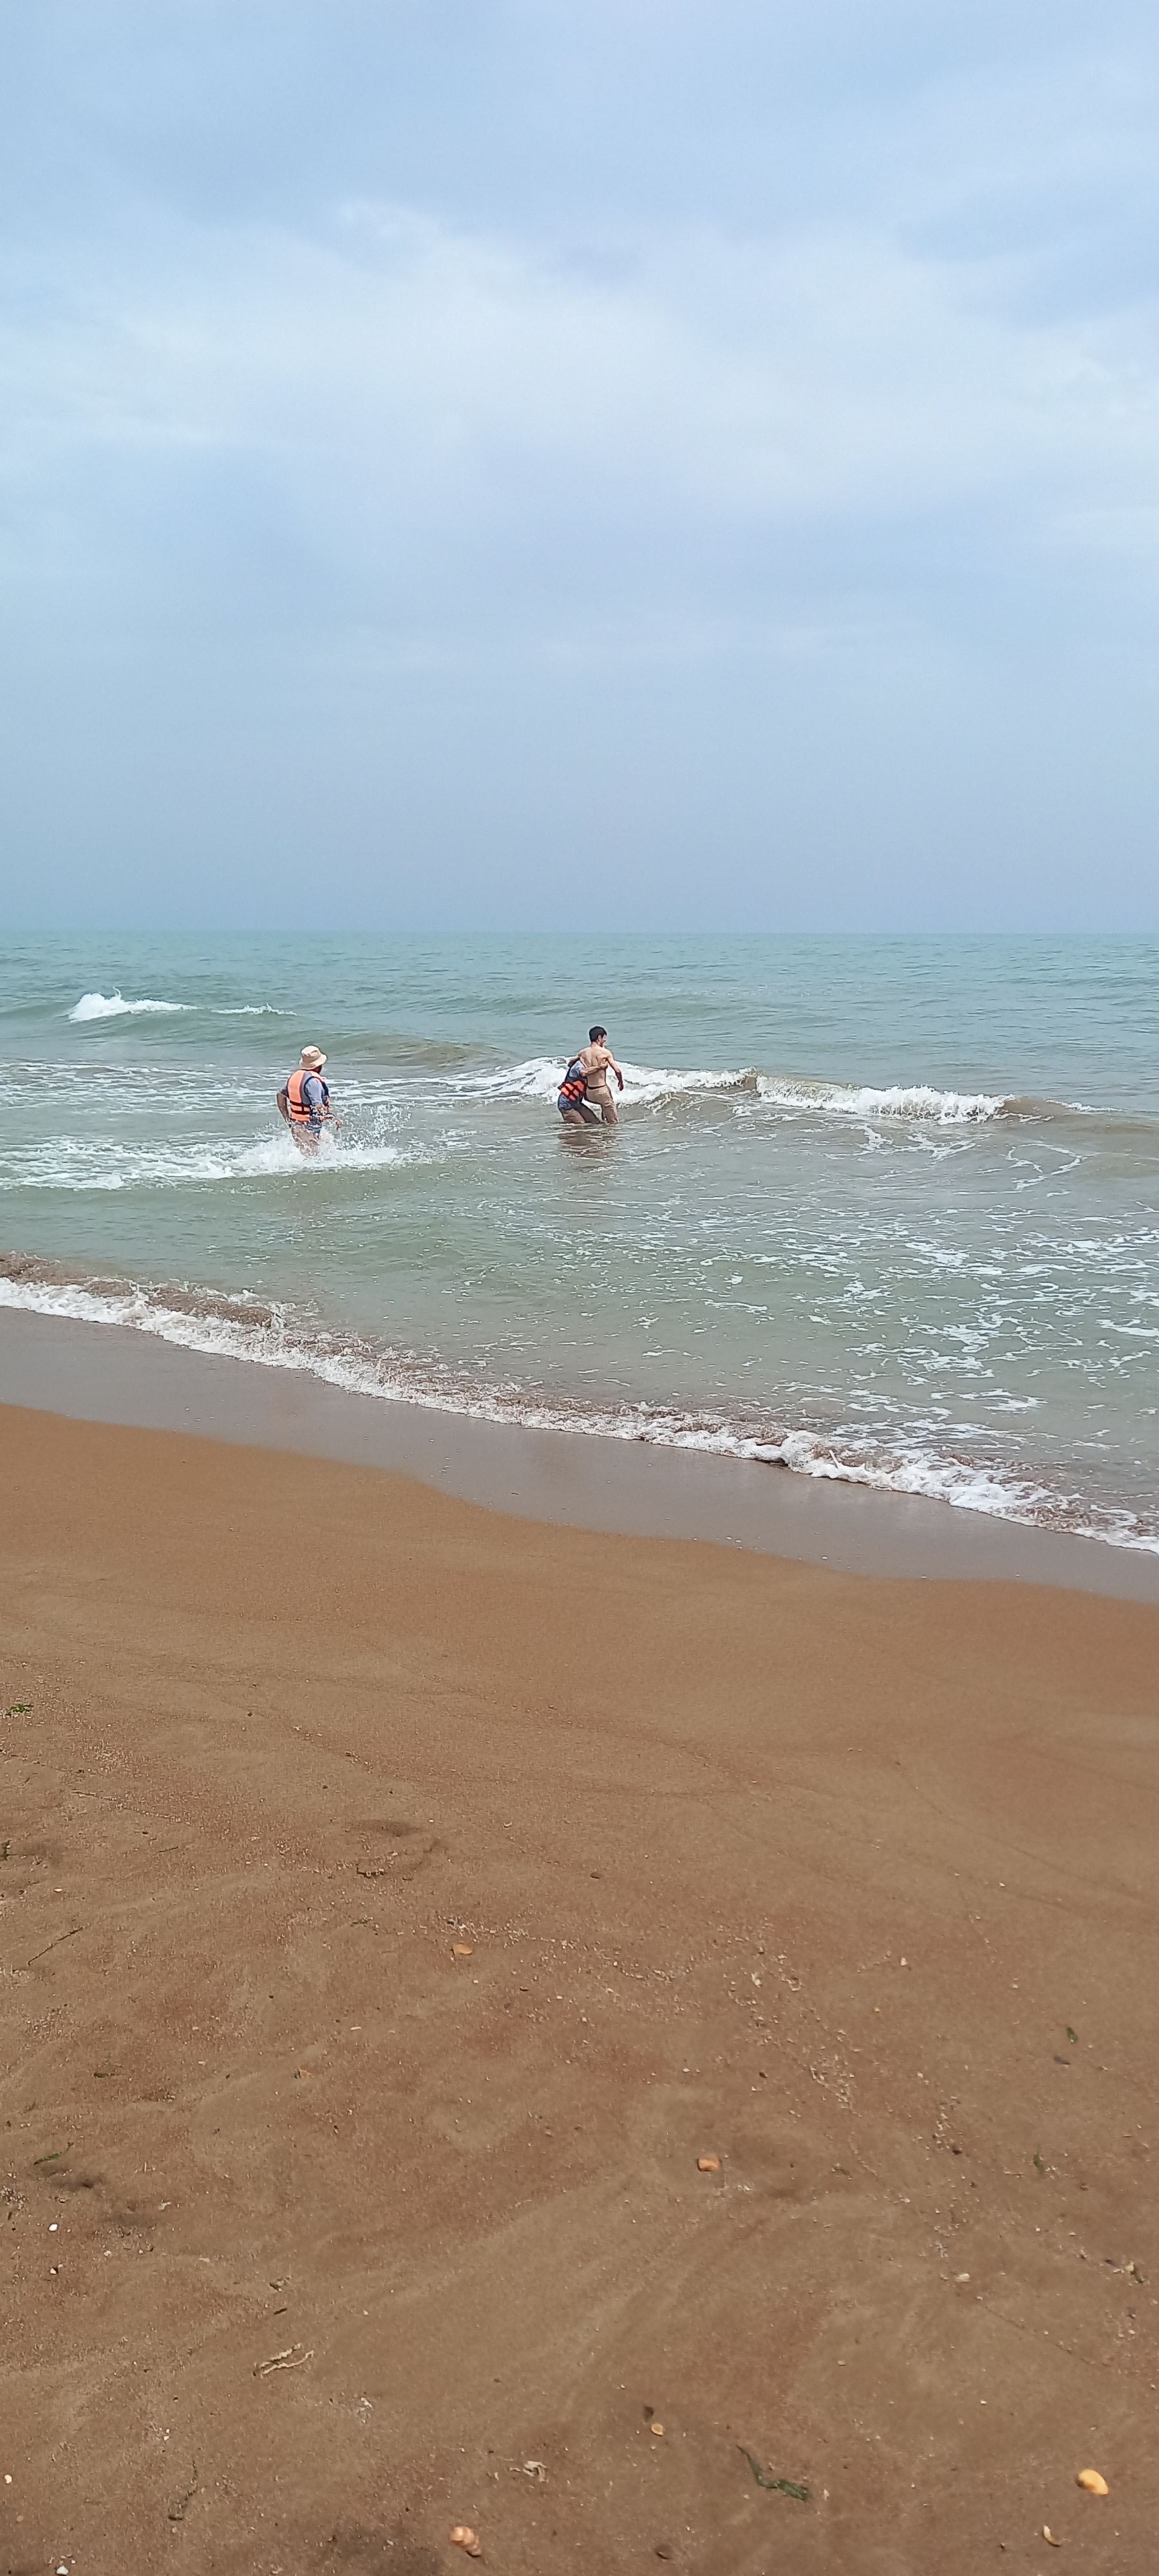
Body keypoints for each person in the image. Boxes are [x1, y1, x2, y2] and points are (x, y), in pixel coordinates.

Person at [557, 1025, 625, 1128]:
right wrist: (620, 1081)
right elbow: (617, 1071)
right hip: (596, 1093)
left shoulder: (582, 1053)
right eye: (604, 1038)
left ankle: (601, 1121)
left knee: (594, 1123)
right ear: (599, 1038)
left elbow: (571, 1063)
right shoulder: (605, 1053)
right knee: (613, 1123)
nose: (605, 1041)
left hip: (588, 1094)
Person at [277, 1046, 334, 1153]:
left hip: (298, 1127)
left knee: (326, 1147)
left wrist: (288, 1119)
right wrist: (332, 1117)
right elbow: (318, 1107)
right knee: (313, 1158)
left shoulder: (295, 1077)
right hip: (308, 1128)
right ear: (319, 1066)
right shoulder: (314, 1082)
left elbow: (280, 1095)